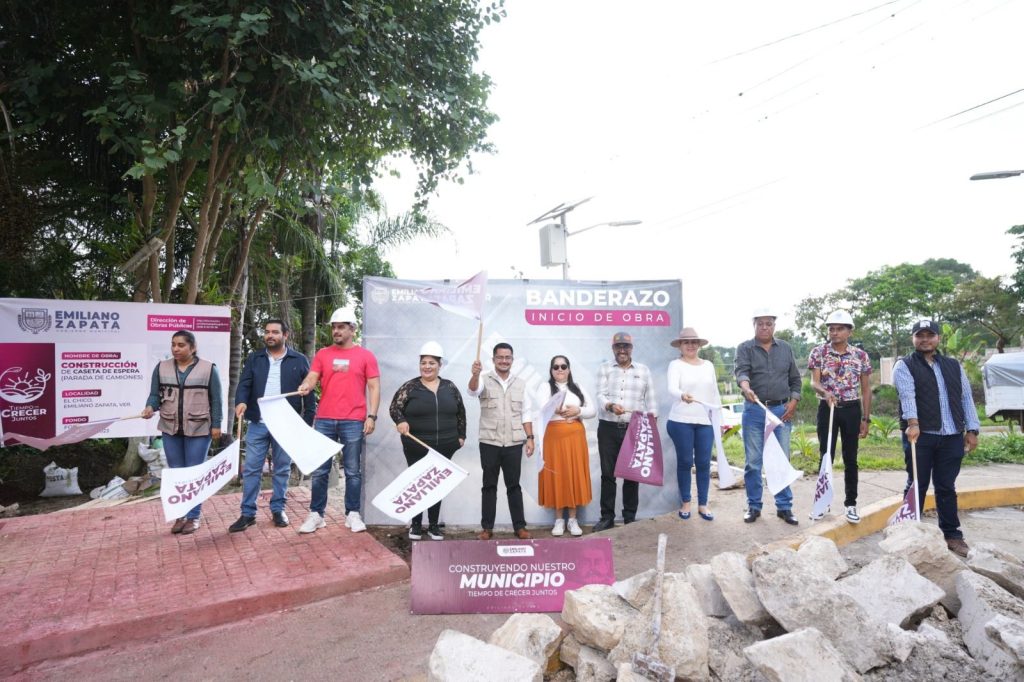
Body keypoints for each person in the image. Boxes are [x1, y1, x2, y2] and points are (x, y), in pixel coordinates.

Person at [893, 318, 979, 558]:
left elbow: (966, 398)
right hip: (920, 436)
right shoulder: (904, 365)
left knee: (946, 487)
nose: (925, 339)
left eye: (930, 335)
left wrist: (972, 429)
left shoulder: (953, 365)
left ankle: (952, 535)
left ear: (937, 338)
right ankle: (910, 533)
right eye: (919, 335)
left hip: (952, 435)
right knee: (916, 484)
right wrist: (913, 423)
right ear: (913, 339)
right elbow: (907, 396)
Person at [296, 306, 380, 535]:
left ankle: (352, 514)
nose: (336, 331)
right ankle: (316, 515)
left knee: (353, 471)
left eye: (341, 327)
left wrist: (372, 415)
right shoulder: (323, 354)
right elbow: (313, 376)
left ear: (353, 329)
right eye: (334, 327)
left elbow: (374, 386)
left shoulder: (365, 356)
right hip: (324, 419)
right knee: (320, 471)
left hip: (354, 420)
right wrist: (306, 385)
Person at [229, 319, 317, 532]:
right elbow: (245, 383)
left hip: (286, 424)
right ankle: (248, 513)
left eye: (275, 332)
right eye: (267, 332)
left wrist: (305, 425)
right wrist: (240, 401)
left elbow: (309, 393)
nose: (270, 335)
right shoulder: (255, 358)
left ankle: (278, 509)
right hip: (258, 421)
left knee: (282, 469)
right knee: (251, 469)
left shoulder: (299, 359)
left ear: (285, 335)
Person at [142, 330, 223, 535]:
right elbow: (154, 395)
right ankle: (180, 514)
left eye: (181, 345)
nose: (176, 349)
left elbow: (216, 400)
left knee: (194, 472)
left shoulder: (208, 369)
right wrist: (150, 407)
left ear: (192, 347)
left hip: (199, 427)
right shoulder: (161, 368)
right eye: (173, 345)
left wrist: (216, 425)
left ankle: (194, 516)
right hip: (170, 427)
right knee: (176, 472)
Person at [389, 341, 466, 541]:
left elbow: (461, 412)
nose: (427, 366)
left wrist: (461, 436)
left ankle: (433, 526)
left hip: (446, 445)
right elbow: (394, 408)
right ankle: (415, 525)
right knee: (418, 483)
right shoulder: (410, 387)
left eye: (432, 362)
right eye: (424, 362)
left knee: (436, 485)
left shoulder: (450, 387)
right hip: (416, 444)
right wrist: (401, 421)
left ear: (440, 365)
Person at [734, 308, 801, 525]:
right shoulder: (744, 348)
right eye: (760, 323)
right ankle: (754, 506)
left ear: (774, 325)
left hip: (782, 411)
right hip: (755, 410)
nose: (765, 327)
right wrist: (746, 388)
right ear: (754, 325)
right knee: (753, 462)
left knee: (781, 461)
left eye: (769, 323)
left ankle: (784, 507)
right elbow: (741, 373)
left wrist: (793, 401)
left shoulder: (786, 348)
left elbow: (795, 380)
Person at [808, 310, 873, 524]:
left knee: (850, 458)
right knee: (826, 455)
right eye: (831, 328)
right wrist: (825, 393)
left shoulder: (860, 356)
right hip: (827, 409)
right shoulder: (819, 352)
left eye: (839, 329)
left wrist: (866, 418)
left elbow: (865, 389)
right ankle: (822, 502)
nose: (834, 332)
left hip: (852, 409)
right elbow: (814, 382)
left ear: (849, 331)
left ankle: (851, 504)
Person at [468, 342, 535, 540]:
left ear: (512, 360)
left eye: (508, 357)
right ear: (494, 359)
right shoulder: (482, 378)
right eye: (500, 357)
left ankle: (520, 527)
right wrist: (474, 374)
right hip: (489, 441)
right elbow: (472, 391)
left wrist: (530, 438)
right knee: (489, 485)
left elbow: (526, 413)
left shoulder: (521, 383)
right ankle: (487, 528)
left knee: (514, 486)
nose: (504, 361)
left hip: (514, 442)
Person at [594, 331, 657, 531]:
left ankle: (629, 517)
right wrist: (611, 405)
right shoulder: (604, 369)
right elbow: (600, 395)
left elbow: (652, 400)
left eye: (626, 346)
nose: (622, 350)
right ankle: (607, 517)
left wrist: (652, 422)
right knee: (608, 474)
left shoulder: (644, 370)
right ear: (613, 348)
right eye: (618, 346)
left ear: (632, 349)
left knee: (632, 475)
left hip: (635, 428)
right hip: (608, 427)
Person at [536, 355, 595, 536]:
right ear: (551, 370)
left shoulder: (578, 387)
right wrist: (553, 408)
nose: (560, 370)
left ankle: (573, 520)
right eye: (556, 367)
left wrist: (579, 411)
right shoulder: (545, 387)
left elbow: (592, 410)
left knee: (573, 474)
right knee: (558, 475)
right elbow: (541, 408)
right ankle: (559, 520)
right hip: (553, 439)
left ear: (569, 369)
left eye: (563, 366)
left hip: (575, 438)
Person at [665, 327, 720, 522]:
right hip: (681, 421)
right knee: (686, 462)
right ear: (680, 345)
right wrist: (682, 395)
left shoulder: (709, 366)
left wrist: (717, 415)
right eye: (686, 342)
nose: (690, 345)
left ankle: (703, 504)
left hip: (705, 421)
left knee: (704, 463)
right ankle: (686, 502)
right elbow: (672, 388)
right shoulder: (675, 365)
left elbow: (714, 392)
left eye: (694, 342)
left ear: (699, 345)